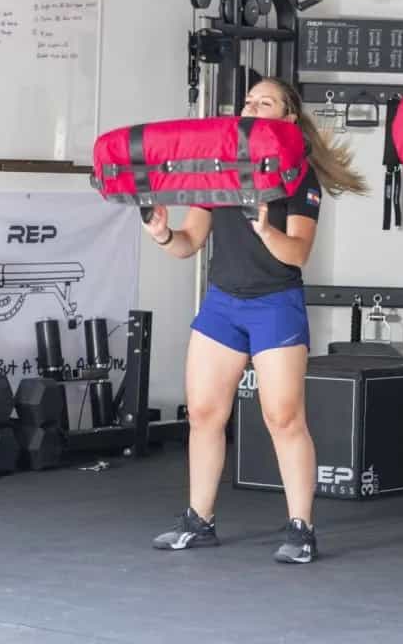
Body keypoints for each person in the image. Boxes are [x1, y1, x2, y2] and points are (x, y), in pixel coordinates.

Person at [146, 76, 367, 564]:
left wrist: (265, 229)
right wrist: (164, 235)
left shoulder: (298, 176)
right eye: (247, 100)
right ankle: (198, 521)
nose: (251, 107)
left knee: (283, 418)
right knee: (203, 414)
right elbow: (190, 244)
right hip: (223, 304)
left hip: (274, 303)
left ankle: (301, 528)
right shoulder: (217, 171)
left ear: (288, 120)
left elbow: (297, 255)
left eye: (264, 102)